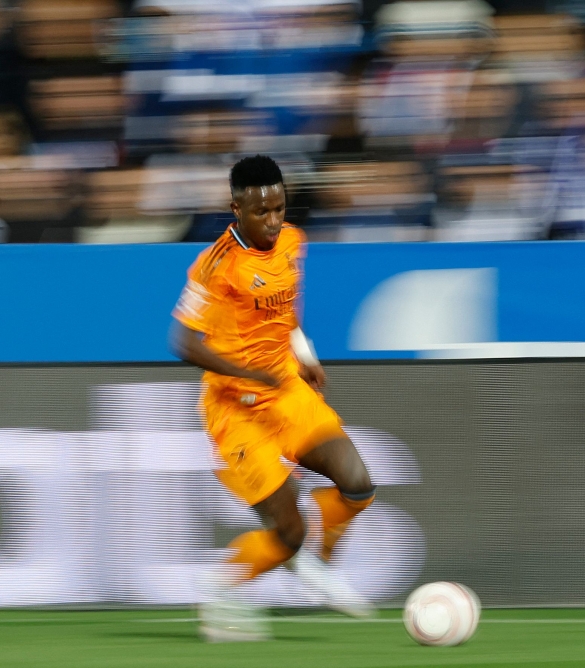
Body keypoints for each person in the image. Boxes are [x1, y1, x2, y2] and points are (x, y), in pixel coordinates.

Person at [170, 154, 377, 642]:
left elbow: (284, 313)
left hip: (283, 389)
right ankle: (218, 584)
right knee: (289, 533)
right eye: (261, 211)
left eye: (279, 209)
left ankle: (317, 569)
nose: (273, 220)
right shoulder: (215, 265)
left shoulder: (292, 242)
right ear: (235, 208)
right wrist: (246, 373)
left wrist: (305, 352)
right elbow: (183, 343)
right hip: (234, 408)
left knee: (358, 483)